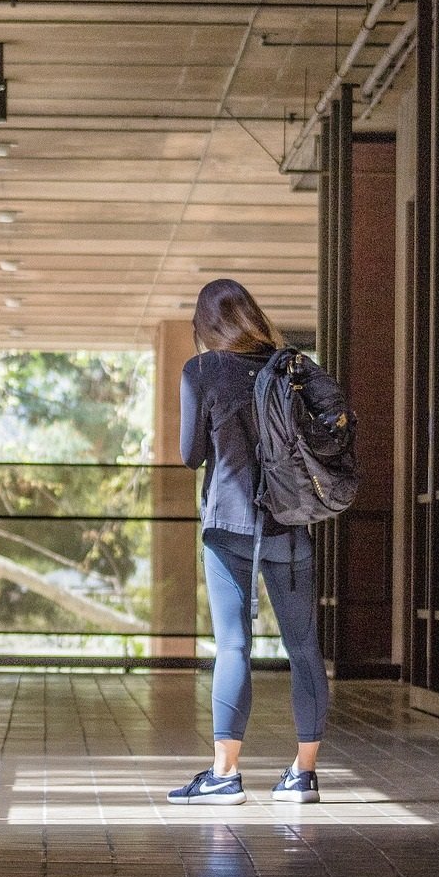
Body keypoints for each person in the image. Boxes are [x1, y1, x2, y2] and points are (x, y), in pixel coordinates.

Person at [166, 278, 328, 806]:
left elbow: (191, 456)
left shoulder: (202, 370)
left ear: (206, 325)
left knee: (234, 644)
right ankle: (303, 775)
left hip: (229, 527)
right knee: (304, 648)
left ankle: (225, 774)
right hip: (290, 525)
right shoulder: (292, 367)